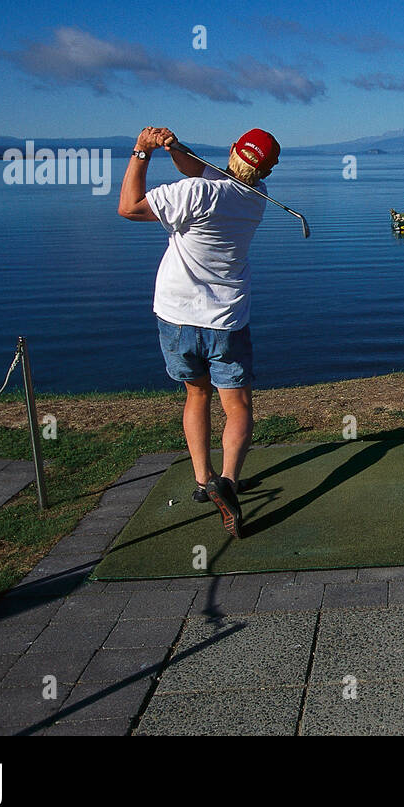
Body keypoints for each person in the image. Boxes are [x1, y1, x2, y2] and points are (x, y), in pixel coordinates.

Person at [117, 126, 281, 538]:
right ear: (266, 169)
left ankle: (204, 480)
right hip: (226, 322)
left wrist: (142, 151)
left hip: (175, 316)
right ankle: (227, 480)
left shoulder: (193, 194)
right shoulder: (256, 198)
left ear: (231, 150)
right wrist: (175, 147)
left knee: (196, 393)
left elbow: (129, 206)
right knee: (237, 405)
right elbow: (203, 172)